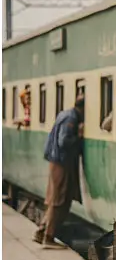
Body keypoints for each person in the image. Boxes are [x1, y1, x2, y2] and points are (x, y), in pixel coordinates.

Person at [35, 92, 84, 247]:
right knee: (58, 200)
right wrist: (79, 137)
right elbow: (64, 141)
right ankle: (48, 237)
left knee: (54, 199)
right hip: (61, 164)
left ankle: (41, 232)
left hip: (56, 162)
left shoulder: (66, 114)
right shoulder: (71, 118)